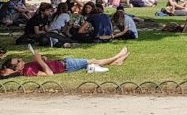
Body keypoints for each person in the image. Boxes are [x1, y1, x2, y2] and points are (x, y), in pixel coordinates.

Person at [1, 47, 129, 78]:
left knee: (93, 63)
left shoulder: (27, 67)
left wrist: (42, 59)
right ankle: (118, 55)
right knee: (94, 60)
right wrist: (40, 60)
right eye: (18, 61)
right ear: (16, 67)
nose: (21, 60)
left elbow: (43, 65)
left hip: (64, 63)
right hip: (66, 66)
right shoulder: (28, 71)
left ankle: (117, 62)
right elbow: (49, 74)